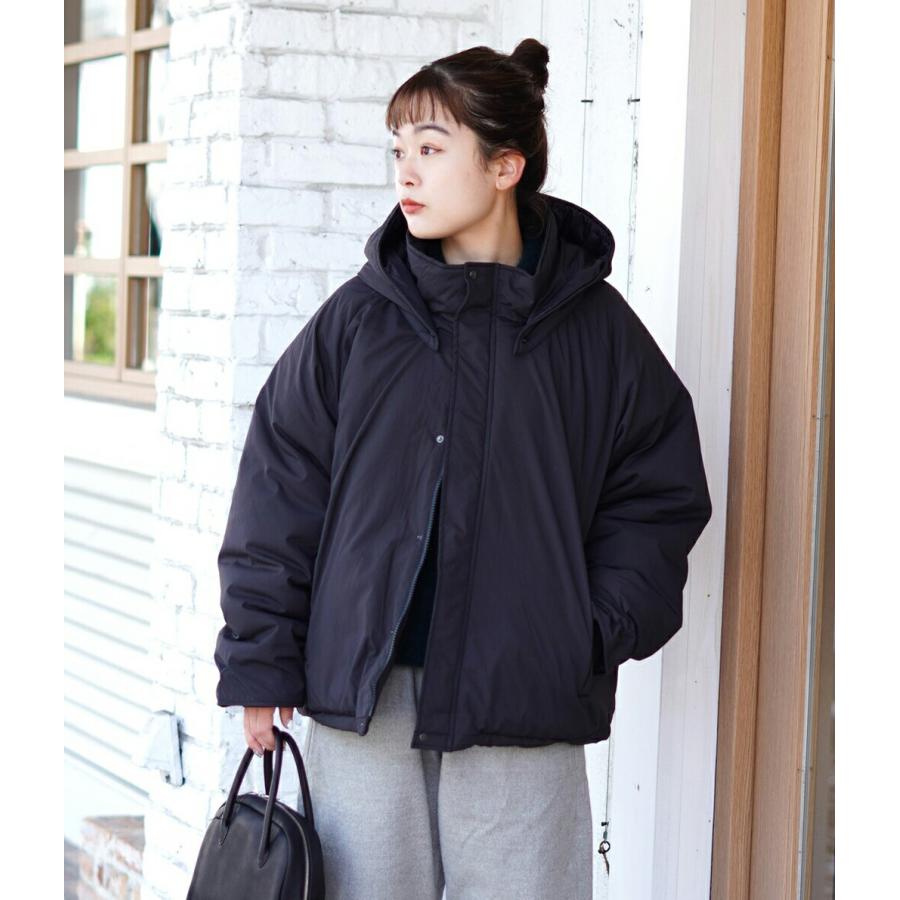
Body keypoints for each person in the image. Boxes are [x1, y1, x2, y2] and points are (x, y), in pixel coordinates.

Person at [213, 38, 713, 900]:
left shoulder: (599, 337)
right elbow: (277, 493)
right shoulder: (359, 323)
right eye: (398, 150)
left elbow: (659, 497)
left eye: (432, 149)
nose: (406, 172)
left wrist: (584, 632)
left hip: (522, 699)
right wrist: (261, 664)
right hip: (364, 703)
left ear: (505, 166)